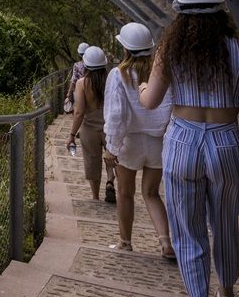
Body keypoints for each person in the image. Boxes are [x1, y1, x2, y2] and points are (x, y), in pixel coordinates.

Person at [140, 0, 239, 297]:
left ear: (180, 9)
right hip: (226, 141)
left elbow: (151, 101)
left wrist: (142, 89)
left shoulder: (169, 48)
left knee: (188, 227)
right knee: (225, 221)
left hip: (183, 141)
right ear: (221, 9)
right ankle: (226, 293)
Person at [104, 22, 174, 258]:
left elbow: (116, 114)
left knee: (125, 192)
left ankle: (125, 242)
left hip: (129, 142)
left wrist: (111, 147)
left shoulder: (119, 74)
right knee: (152, 193)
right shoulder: (161, 72)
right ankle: (165, 242)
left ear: (125, 48)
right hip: (157, 141)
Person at [66, 46, 116, 203]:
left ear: (85, 65)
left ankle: (95, 197)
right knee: (112, 157)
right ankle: (110, 180)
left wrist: (72, 135)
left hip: (89, 127)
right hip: (110, 126)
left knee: (92, 160)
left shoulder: (82, 83)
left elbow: (79, 112)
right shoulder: (111, 80)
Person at [64, 42, 90, 113]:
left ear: (79, 53)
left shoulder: (77, 65)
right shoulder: (93, 65)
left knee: (79, 109)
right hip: (91, 89)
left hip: (79, 90)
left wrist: (69, 93)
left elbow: (73, 80)